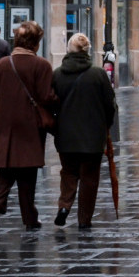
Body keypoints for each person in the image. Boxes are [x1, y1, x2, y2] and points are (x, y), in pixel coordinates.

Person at [0, 21, 55, 232]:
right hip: (30, 127)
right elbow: (46, 97)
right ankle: (29, 217)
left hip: (6, 126)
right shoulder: (42, 65)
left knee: (4, 171)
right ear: (36, 42)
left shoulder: (3, 64)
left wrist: (0, 119)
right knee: (27, 175)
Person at [51, 33, 115, 231]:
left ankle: (64, 207)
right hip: (93, 138)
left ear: (69, 49)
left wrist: (56, 127)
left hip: (66, 136)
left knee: (68, 173)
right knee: (89, 178)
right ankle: (84, 219)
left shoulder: (58, 74)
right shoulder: (98, 74)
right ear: (87, 50)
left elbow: (51, 104)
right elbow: (110, 105)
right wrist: (105, 126)